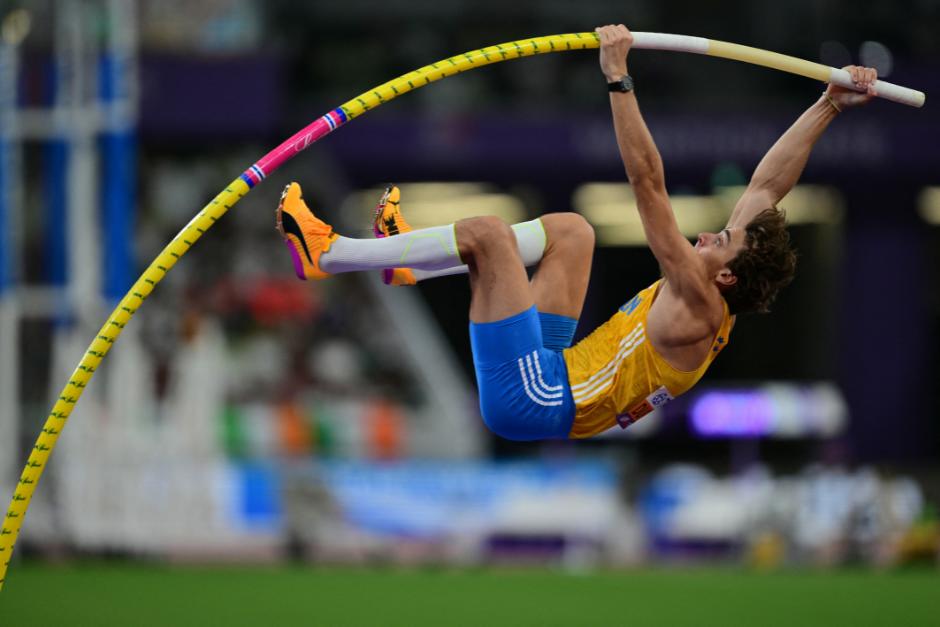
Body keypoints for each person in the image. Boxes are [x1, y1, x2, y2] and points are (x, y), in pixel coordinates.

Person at [275, 24, 877, 440]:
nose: (706, 237)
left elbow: (647, 184)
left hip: (537, 400)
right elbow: (767, 189)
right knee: (572, 232)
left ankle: (331, 254)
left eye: (719, 242)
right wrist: (827, 104)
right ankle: (409, 262)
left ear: (723, 277)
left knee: (489, 235)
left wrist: (617, 76)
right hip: (554, 366)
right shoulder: (720, 278)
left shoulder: (698, 301)